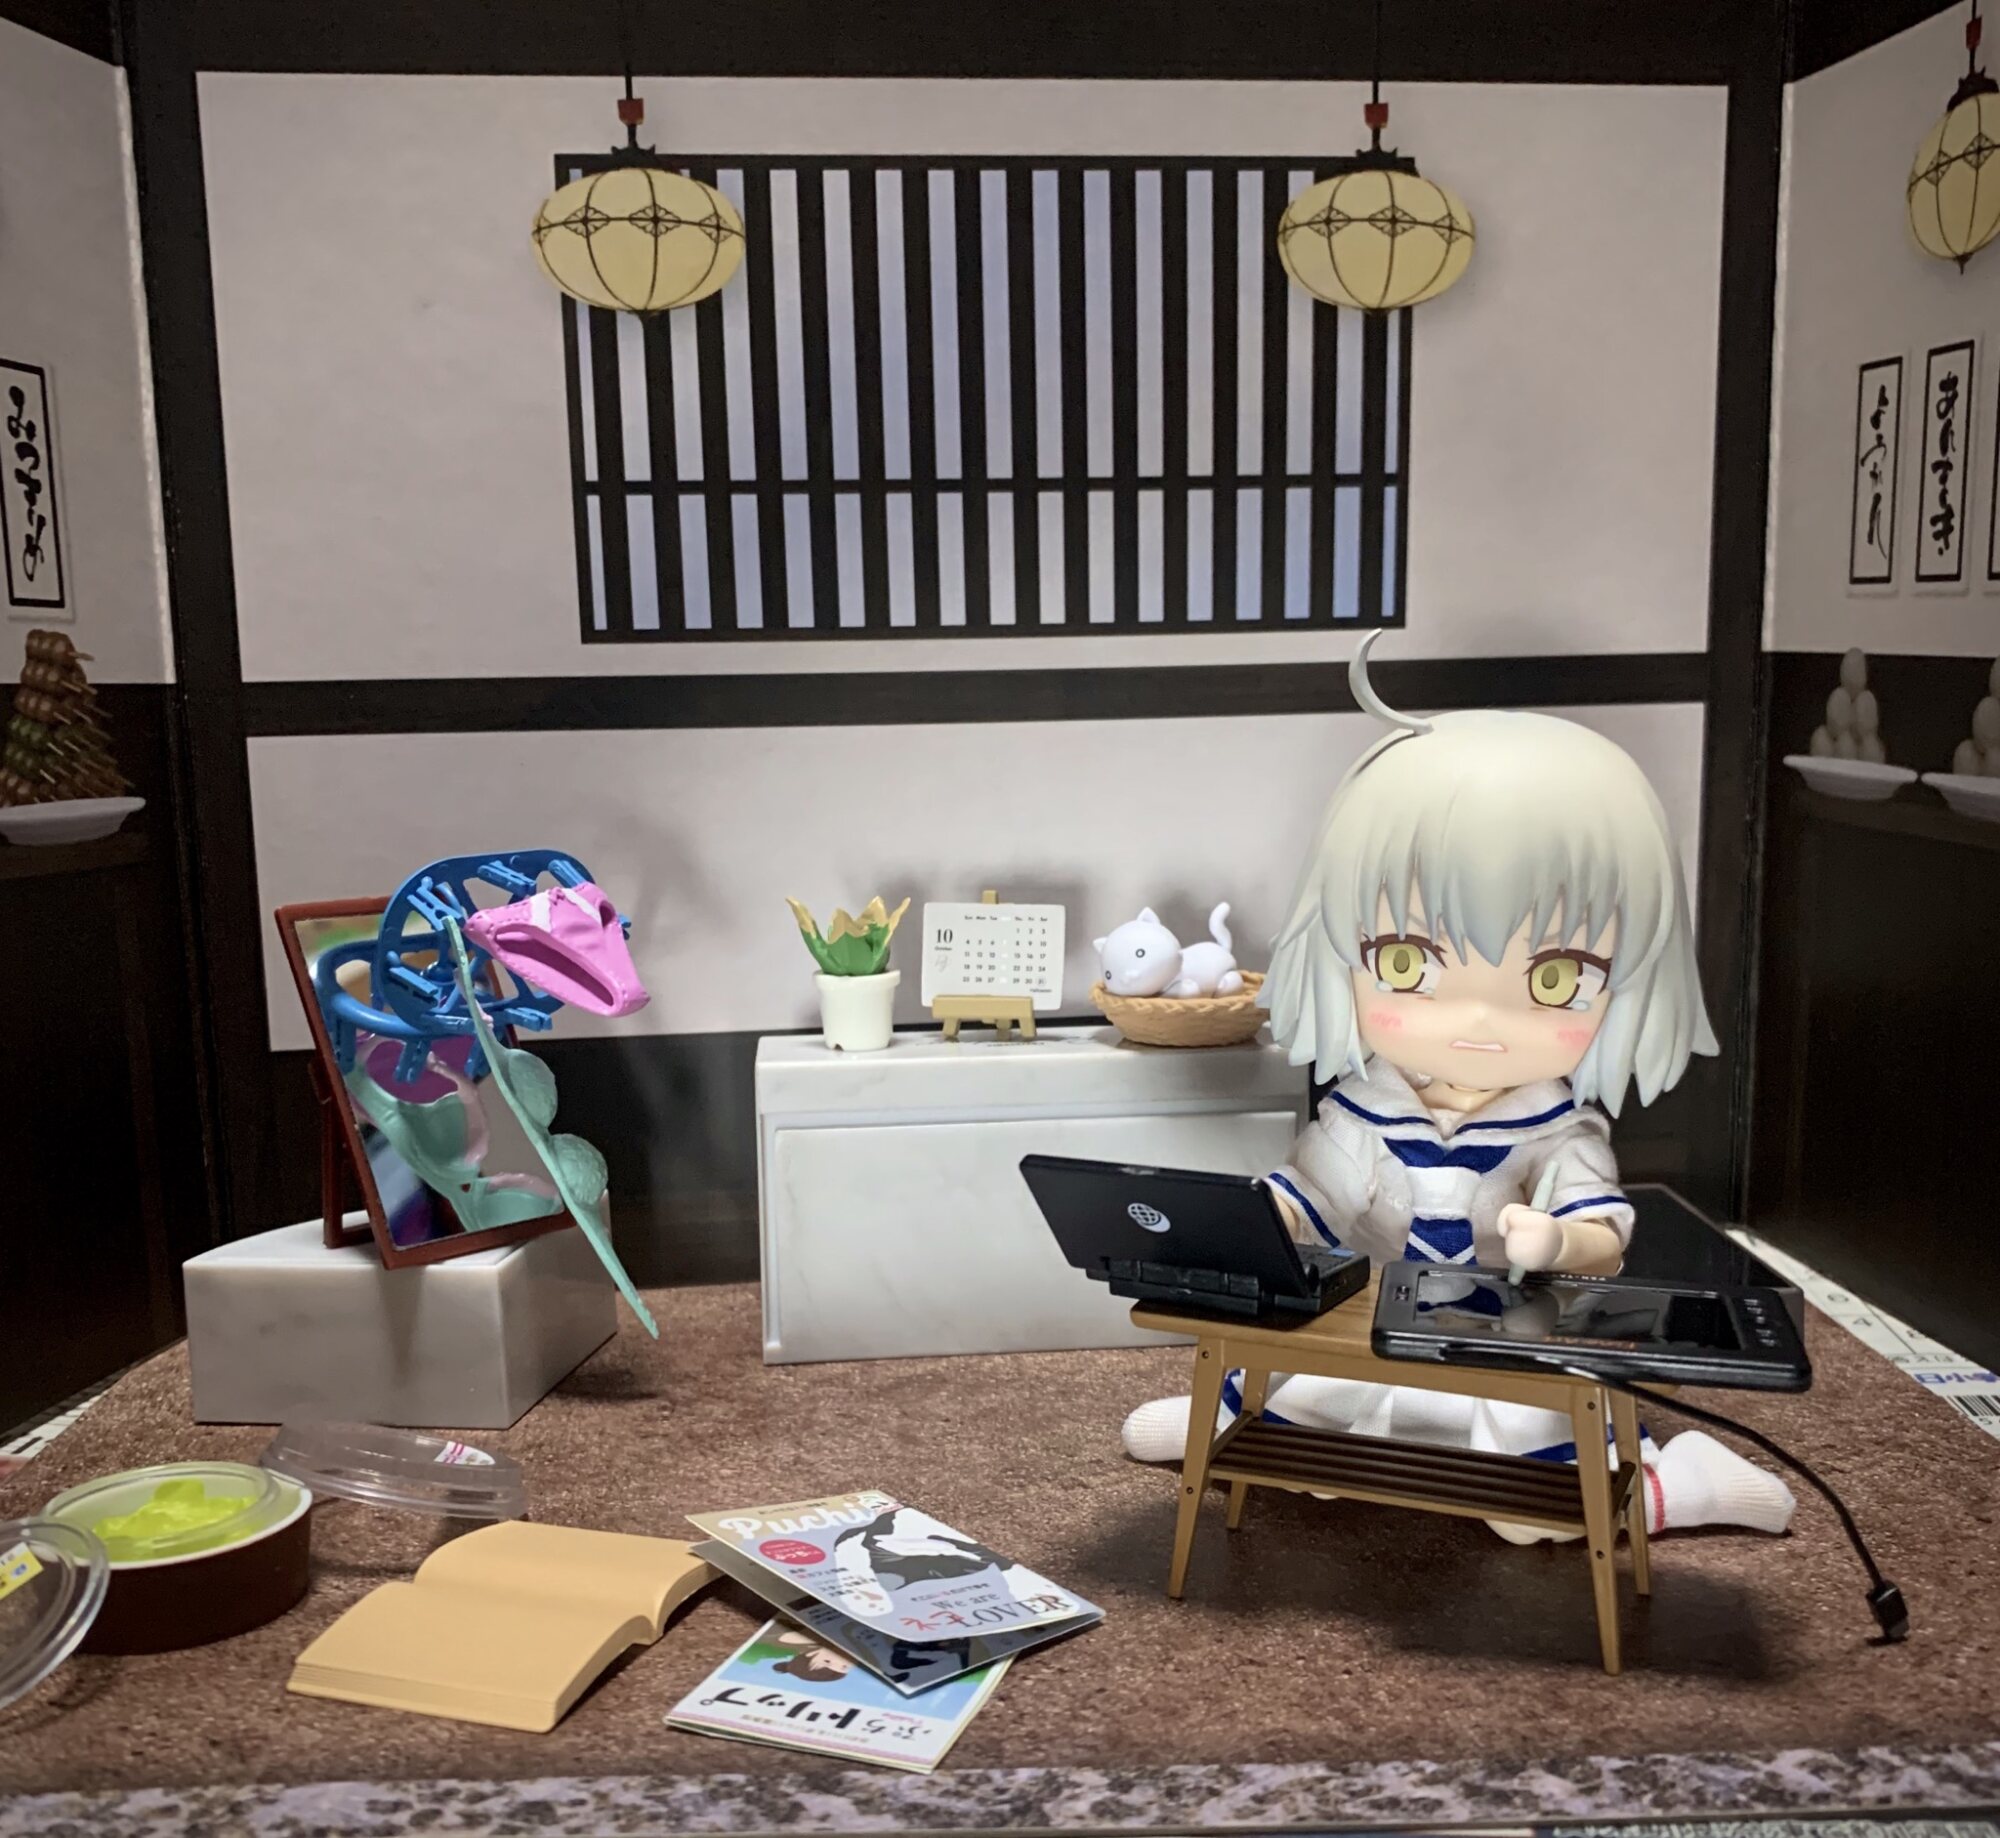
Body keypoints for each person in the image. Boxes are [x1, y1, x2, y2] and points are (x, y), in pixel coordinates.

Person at [1120, 635, 1795, 1541]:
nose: (1478, 1019)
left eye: (1554, 978)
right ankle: (1223, 1425)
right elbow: (1315, 1194)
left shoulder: (1555, 1128)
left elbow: (1603, 1239)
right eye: (1408, 963)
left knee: (1535, 1515)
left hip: (1501, 1344)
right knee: (1308, 1436)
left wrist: (1555, 1238)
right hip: (1372, 1329)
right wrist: (1263, 1219)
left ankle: (1689, 1487)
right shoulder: (1365, 1104)